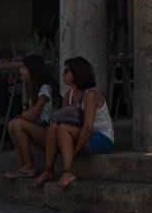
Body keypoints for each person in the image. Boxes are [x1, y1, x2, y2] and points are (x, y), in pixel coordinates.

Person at [39, 55, 112, 188]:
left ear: (77, 73)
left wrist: (74, 150)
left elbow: (88, 127)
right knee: (55, 127)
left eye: (66, 71)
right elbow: (61, 120)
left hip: (101, 136)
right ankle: (48, 170)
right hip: (80, 134)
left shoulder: (91, 95)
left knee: (62, 129)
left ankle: (68, 171)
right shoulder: (69, 94)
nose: (62, 74)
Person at [5, 54, 56, 180]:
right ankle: (21, 164)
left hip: (50, 132)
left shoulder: (45, 88)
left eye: (24, 68)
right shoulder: (31, 88)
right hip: (39, 129)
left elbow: (33, 113)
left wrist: (24, 115)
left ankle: (29, 165)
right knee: (12, 124)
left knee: (18, 124)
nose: (21, 70)